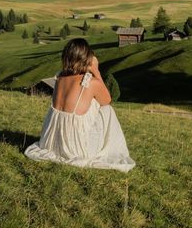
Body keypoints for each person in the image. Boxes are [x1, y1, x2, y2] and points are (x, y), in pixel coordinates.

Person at [24, 38, 136, 172]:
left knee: (90, 102)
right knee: (107, 110)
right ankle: (109, 147)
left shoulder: (59, 78)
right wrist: (96, 71)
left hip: (50, 144)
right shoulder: (90, 81)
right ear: (86, 59)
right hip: (77, 149)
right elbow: (107, 100)